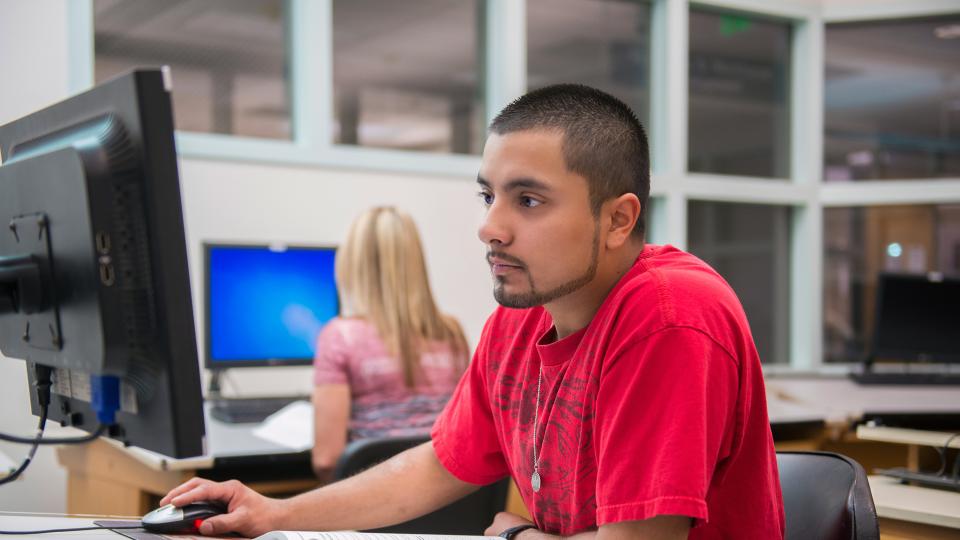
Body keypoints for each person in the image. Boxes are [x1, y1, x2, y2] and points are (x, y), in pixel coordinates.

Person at [160, 84, 784, 539]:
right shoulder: (519, 316)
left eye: (529, 200)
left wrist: (515, 536)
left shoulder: (669, 318)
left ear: (618, 218)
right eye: (488, 196)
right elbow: (439, 466)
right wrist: (277, 513)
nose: (490, 227)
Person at [311, 206, 469, 481]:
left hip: (376, 506)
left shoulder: (339, 337)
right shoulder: (451, 332)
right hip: (448, 502)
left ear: (352, 263)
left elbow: (327, 460)